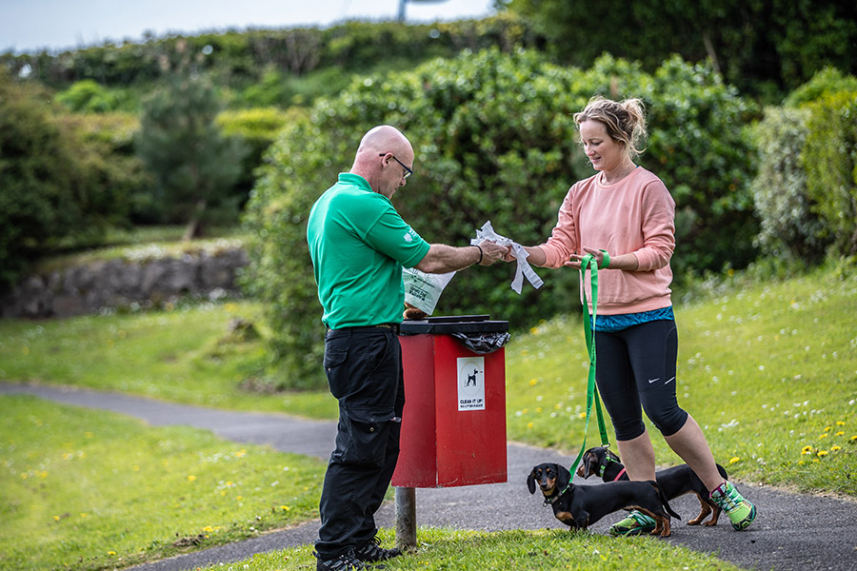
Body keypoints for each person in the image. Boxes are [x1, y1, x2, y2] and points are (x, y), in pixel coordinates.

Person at [508, 96, 756, 536]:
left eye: (596, 141)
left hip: (648, 317)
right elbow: (560, 246)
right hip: (600, 322)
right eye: (585, 143)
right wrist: (521, 252)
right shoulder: (580, 193)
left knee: (662, 410)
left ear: (622, 138)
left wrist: (612, 261)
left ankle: (720, 489)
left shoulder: (649, 188)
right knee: (624, 417)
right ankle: (645, 505)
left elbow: (660, 251)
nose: (589, 151)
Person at [306, 125, 509, 570]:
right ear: (385, 160)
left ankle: (359, 540)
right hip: (364, 343)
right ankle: (334, 551)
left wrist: (398, 305)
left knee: (380, 445)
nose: (402, 184)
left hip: (364, 337)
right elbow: (428, 258)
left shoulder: (326, 202)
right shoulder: (364, 204)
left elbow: (358, 275)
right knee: (360, 448)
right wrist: (480, 253)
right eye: (405, 173)